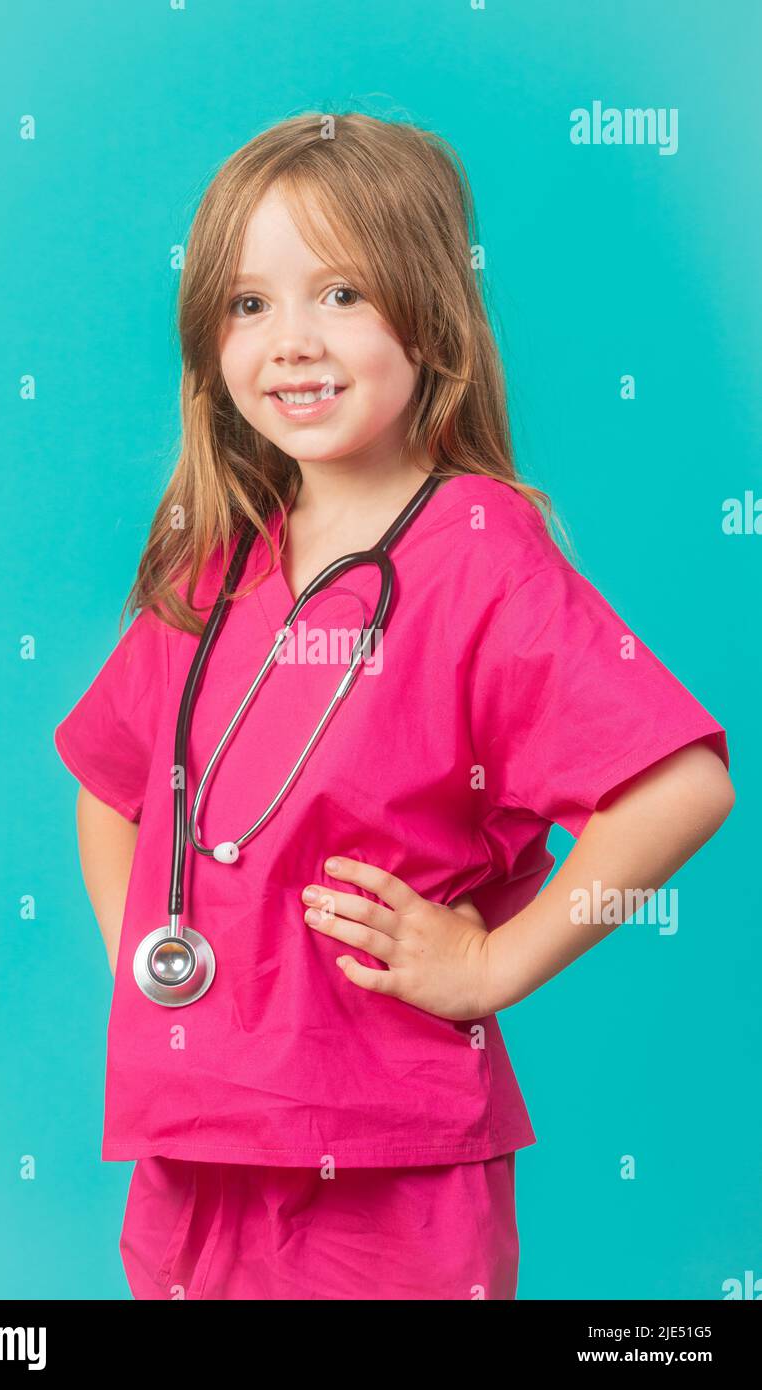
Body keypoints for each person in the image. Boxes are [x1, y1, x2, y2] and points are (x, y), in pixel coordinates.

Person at [53, 112, 734, 1301]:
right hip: (195, 1146)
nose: (292, 342)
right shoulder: (216, 566)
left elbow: (679, 784)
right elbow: (111, 781)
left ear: (432, 309)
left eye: (343, 293)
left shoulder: (482, 553)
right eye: (249, 304)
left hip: (386, 1157)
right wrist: (145, 961)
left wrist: (487, 966)